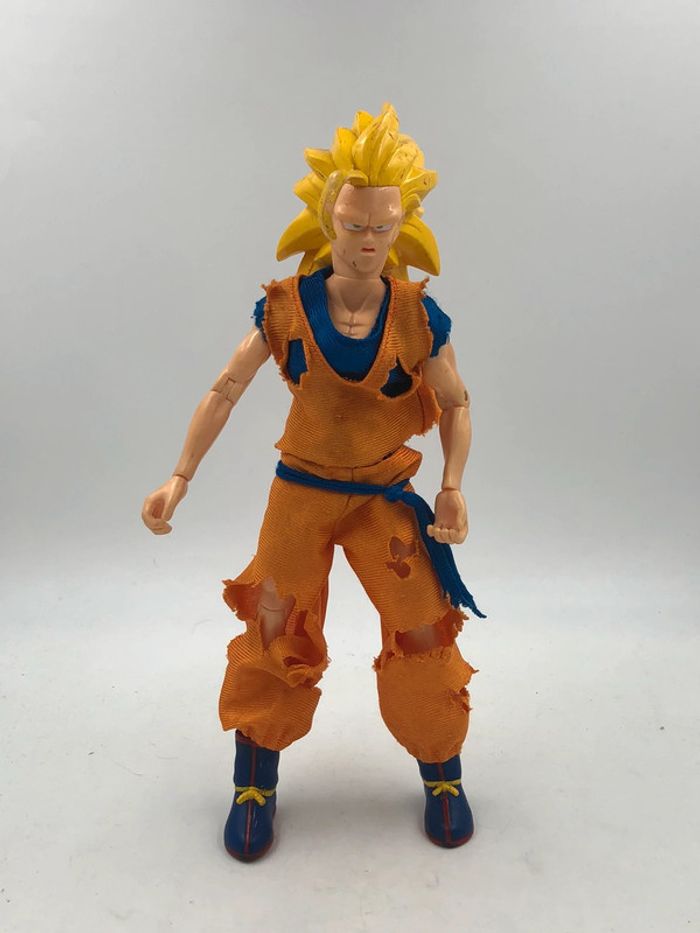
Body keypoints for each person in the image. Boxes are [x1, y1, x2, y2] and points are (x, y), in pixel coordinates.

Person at [142, 103, 484, 861]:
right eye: (354, 224)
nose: (367, 242)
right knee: (274, 625)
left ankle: (442, 769)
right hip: (299, 495)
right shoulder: (286, 309)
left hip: (382, 497)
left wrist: (453, 484)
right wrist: (179, 476)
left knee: (423, 625)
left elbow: (457, 403)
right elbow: (225, 388)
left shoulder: (418, 317)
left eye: (383, 227)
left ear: (402, 226)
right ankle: (254, 781)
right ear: (329, 218)